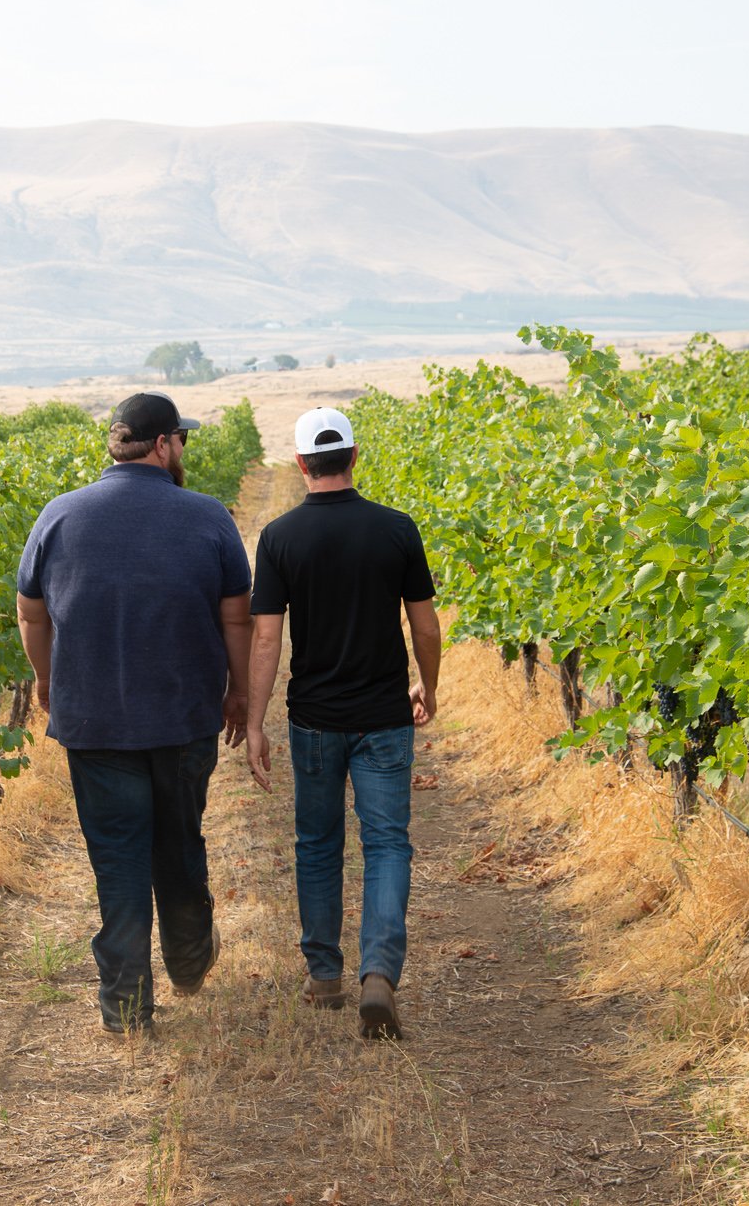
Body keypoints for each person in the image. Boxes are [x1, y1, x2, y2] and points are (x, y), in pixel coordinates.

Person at [15, 389, 253, 1035]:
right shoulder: (207, 517)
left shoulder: (58, 517)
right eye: (184, 440)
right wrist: (240, 690)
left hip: (94, 723)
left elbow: (31, 613)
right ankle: (188, 957)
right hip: (183, 720)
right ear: (163, 444)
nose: (184, 451)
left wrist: (45, 678)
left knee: (117, 862)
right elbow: (237, 616)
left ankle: (125, 1007)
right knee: (178, 843)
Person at [245, 405, 439, 1039]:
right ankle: (379, 972)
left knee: (318, 844)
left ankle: (324, 975)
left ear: (301, 464)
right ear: (354, 457)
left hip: (315, 721)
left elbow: (267, 640)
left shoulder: (278, 539)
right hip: (384, 715)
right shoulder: (396, 529)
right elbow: (425, 624)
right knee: (387, 844)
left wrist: (253, 721)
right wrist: (427, 686)